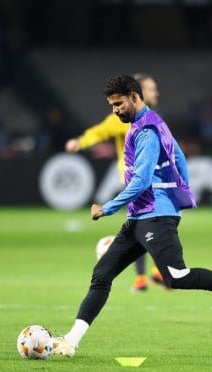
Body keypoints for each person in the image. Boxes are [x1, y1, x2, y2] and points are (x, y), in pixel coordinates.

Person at [52, 75, 212, 358]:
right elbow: (180, 157)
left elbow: (140, 180)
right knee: (102, 274)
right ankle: (71, 342)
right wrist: (181, 192)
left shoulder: (147, 132)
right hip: (142, 216)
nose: (115, 110)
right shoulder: (150, 124)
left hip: (156, 216)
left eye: (118, 104)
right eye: (112, 105)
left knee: (177, 276)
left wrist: (108, 207)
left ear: (135, 97)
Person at [65, 73, 164, 293]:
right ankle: (149, 274)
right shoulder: (125, 119)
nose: (155, 92)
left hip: (152, 180)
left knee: (147, 224)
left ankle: (153, 273)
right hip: (136, 182)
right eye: (151, 88)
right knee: (143, 224)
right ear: (138, 93)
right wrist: (80, 142)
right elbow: (100, 131)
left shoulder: (150, 118)